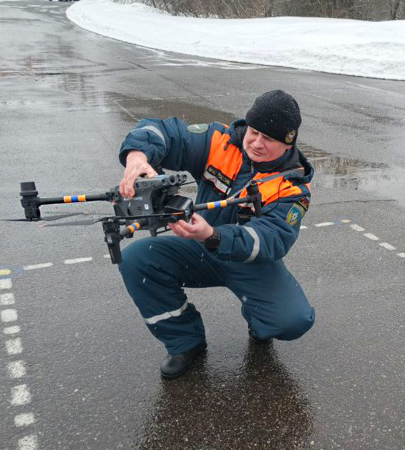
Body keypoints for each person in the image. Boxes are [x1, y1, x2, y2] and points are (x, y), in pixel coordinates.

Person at [116, 90, 316, 379]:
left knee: (292, 320)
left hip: (250, 261)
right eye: (254, 131)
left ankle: (258, 319)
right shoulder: (218, 141)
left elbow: (272, 240)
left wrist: (214, 234)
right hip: (200, 248)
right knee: (136, 259)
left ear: (288, 143)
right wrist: (137, 157)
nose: (257, 143)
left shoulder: (294, 187)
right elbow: (163, 131)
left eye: (269, 138)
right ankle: (186, 342)